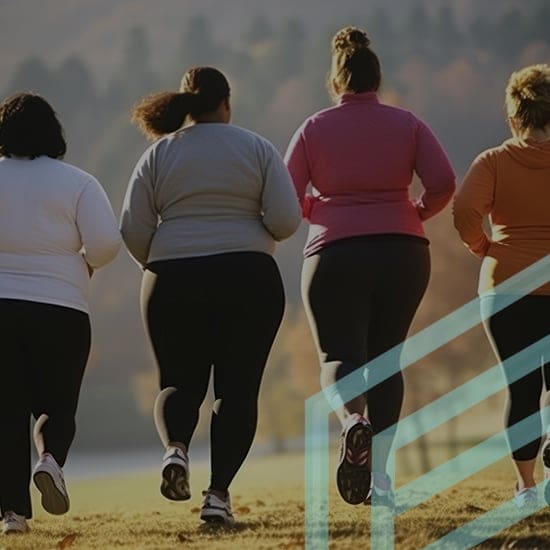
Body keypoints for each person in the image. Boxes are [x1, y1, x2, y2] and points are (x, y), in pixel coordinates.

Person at [120, 66, 301, 525]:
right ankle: (218, 496)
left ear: (185, 105)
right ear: (227, 103)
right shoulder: (257, 147)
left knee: (177, 382)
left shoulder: (159, 154)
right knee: (237, 391)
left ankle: (176, 450)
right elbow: (284, 219)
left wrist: (159, 261)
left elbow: (132, 228)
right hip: (248, 277)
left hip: (172, 278)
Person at [285, 27, 455, 507]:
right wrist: (416, 211)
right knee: (386, 360)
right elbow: (443, 181)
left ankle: (352, 421)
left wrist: (319, 211)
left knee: (338, 354)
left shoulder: (314, 128)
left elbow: (285, 192)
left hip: (335, 249)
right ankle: (379, 477)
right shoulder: (408, 124)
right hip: (403, 249)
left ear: (336, 82)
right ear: (376, 80)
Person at [0, 93, 121, 535]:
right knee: (58, 402)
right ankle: (50, 460)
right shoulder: (78, 182)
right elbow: (107, 243)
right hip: (62, 308)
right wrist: (83, 263)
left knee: (6, 412)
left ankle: (13, 514)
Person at [454, 64, 550, 510]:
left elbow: (464, 211)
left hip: (506, 288)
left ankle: (526, 488)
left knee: (522, 388)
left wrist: (483, 247)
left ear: (515, 115)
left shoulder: (493, 161)